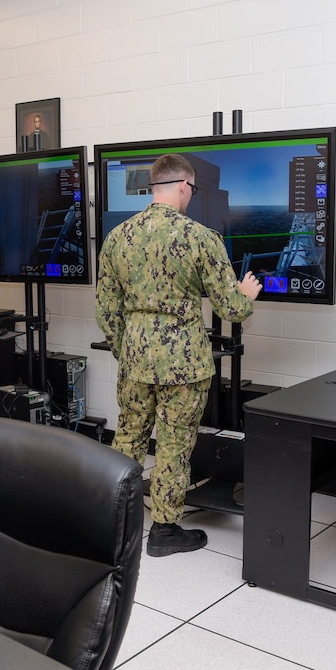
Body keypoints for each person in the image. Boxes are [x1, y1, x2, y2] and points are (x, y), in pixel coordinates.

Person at [96, 153, 262, 557]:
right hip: (183, 364)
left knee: (129, 436)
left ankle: (115, 521)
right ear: (185, 186)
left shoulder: (118, 236)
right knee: (174, 442)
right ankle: (165, 529)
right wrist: (247, 295)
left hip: (135, 359)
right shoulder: (201, 238)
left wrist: (128, 349)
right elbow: (231, 310)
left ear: (154, 187)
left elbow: (106, 311)